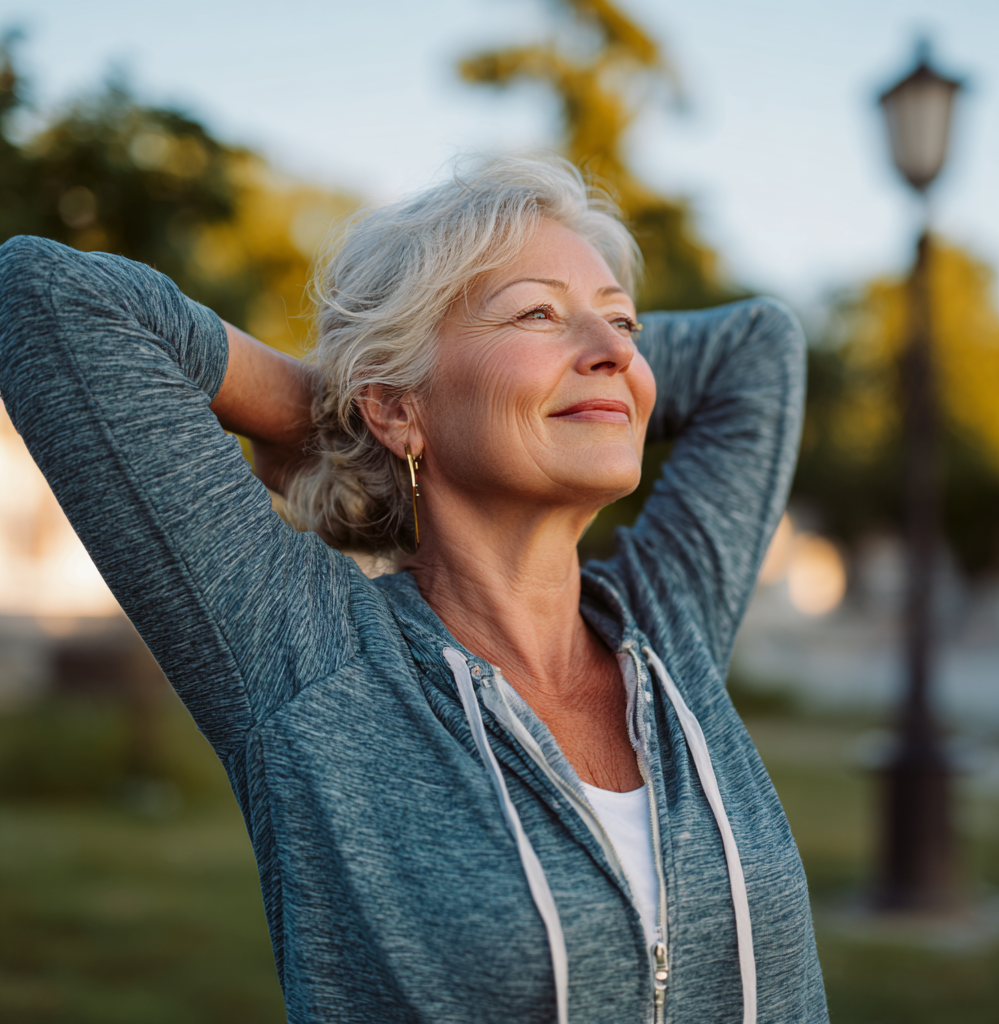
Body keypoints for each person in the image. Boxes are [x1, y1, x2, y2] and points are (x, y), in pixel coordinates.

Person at [0, 156, 827, 1024]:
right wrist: (332, 411)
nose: (618, 350)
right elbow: (48, 294)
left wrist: (372, 413)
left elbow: (756, 346)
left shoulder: (667, 627)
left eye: (623, 321)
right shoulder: (312, 659)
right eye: (537, 312)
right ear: (397, 406)